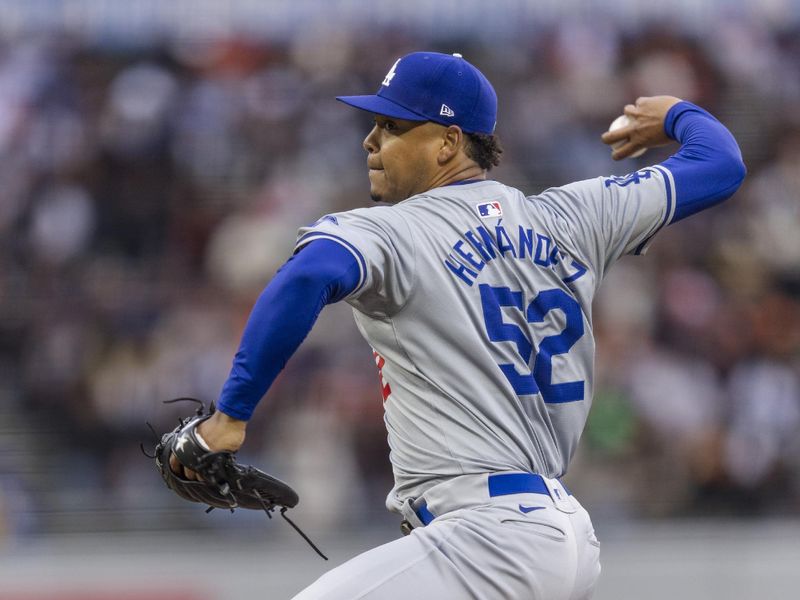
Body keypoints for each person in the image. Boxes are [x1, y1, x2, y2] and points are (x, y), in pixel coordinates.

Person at [170, 51, 746, 599]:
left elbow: (306, 276)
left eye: (393, 126)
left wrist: (230, 417)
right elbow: (720, 163)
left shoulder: (393, 230)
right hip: (562, 533)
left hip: (486, 536)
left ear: (448, 143)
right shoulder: (573, 215)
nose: (371, 141)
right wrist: (675, 113)